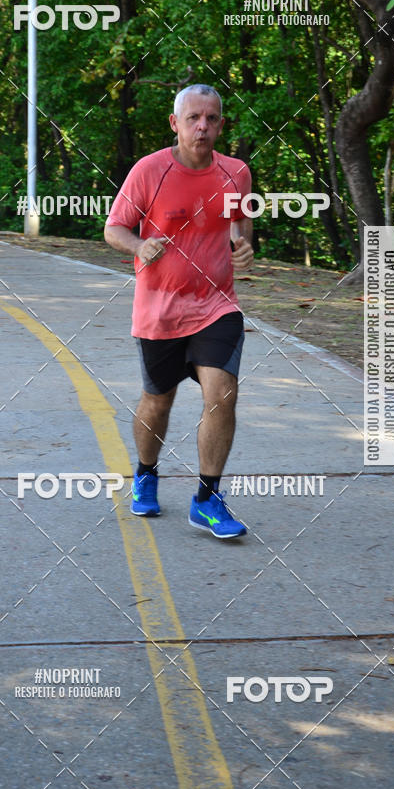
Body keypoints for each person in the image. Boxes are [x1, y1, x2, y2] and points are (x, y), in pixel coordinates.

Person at [105, 84, 254, 539]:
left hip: (216, 305)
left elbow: (241, 229)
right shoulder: (149, 171)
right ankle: (146, 472)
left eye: (211, 119)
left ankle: (207, 500)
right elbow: (114, 228)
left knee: (222, 392)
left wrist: (243, 249)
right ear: (175, 123)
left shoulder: (237, 173)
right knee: (159, 399)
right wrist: (139, 244)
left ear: (221, 125)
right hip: (159, 312)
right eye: (193, 118)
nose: (202, 126)